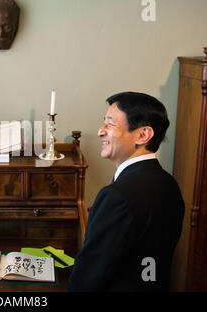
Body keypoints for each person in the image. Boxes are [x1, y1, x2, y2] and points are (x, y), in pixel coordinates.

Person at [67, 92, 185, 291]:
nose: (100, 131)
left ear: (142, 135)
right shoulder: (169, 183)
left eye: (110, 124)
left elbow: (86, 280)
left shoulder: (117, 196)